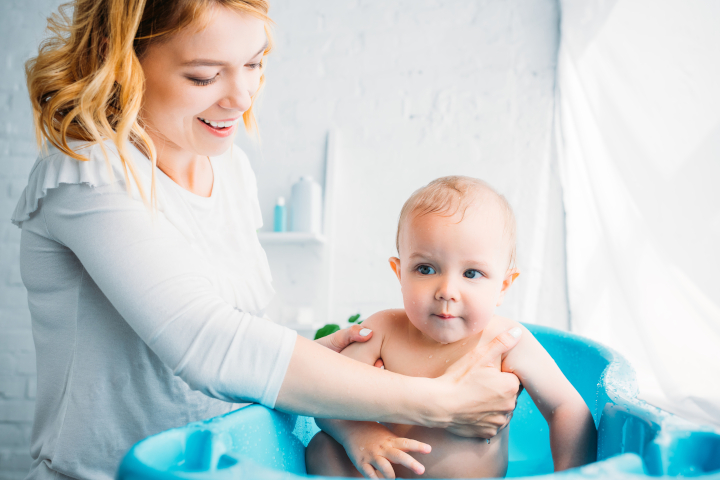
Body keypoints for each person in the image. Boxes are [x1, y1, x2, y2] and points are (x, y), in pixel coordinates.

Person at [14, 2, 524, 480]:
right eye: (205, 75)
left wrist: (316, 365)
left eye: (255, 64)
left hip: (224, 462)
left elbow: (239, 334)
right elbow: (208, 343)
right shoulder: (86, 176)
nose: (242, 96)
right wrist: (440, 401)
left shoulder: (228, 169)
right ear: (124, 63)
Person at [305, 176, 598, 479]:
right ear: (399, 272)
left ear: (503, 286)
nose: (447, 290)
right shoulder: (383, 330)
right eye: (426, 269)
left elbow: (568, 408)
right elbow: (325, 394)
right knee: (322, 448)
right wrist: (359, 435)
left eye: (472, 273)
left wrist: (569, 475)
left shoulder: (508, 340)